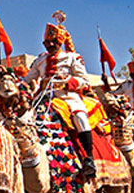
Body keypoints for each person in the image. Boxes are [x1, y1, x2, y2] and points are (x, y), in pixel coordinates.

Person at [23, 11, 97, 178]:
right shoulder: (39, 60)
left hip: (67, 97)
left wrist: (67, 81)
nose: (49, 46)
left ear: (60, 42)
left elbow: (84, 80)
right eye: (46, 43)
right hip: (43, 99)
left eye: (53, 42)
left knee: (80, 117)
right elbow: (28, 78)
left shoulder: (72, 57)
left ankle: (89, 159)